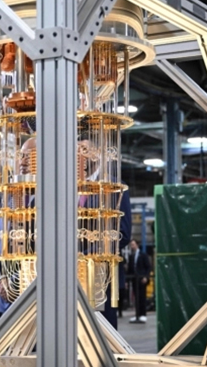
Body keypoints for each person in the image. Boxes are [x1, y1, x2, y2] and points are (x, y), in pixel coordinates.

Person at [78, 137, 131, 330]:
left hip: (103, 278)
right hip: (73, 276)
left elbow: (122, 233)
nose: (80, 154)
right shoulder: (72, 188)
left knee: (103, 338)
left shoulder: (114, 187)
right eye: (77, 150)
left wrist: (85, 256)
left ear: (98, 153)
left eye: (84, 149)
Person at [0, 137, 36, 312]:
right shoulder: (9, 199)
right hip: (7, 299)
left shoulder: (55, 200)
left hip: (37, 297)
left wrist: (14, 281)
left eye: (29, 156)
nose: (23, 161)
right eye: (21, 156)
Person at [128, 239, 151, 323]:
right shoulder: (131, 256)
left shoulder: (143, 255)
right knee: (136, 298)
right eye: (131, 245)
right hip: (135, 280)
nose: (132, 246)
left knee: (142, 297)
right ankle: (137, 314)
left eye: (133, 244)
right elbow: (130, 269)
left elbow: (148, 267)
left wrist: (146, 277)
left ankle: (143, 314)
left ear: (137, 245)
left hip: (142, 279)